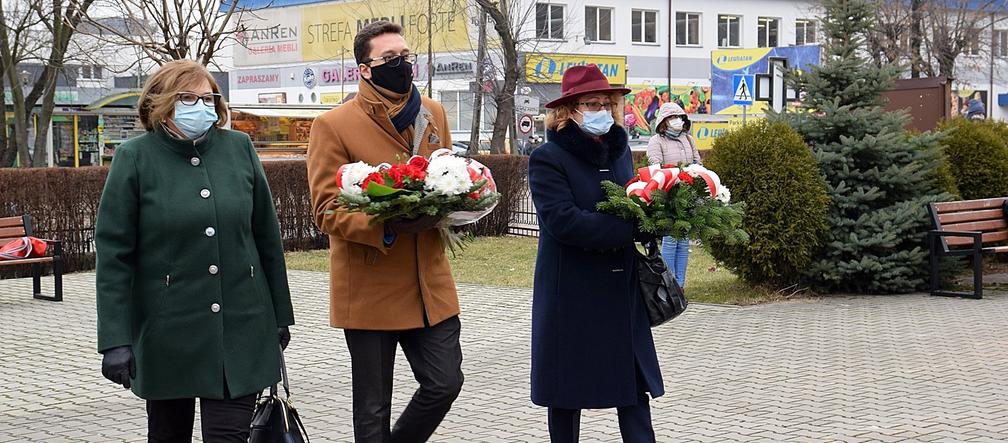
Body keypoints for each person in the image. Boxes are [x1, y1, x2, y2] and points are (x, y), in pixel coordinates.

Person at [95, 59, 295, 442]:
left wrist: (280, 315)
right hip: (168, 334)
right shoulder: (135, 158)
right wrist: (115, 338)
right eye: (188, 98)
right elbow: (114, 256)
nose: (201, 106)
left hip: (241, 329)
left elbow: (267, 238)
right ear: (161, 104)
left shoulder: (239, 148)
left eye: (208, 97)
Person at [306, 20, 463, 443]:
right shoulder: (333, 125)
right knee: (372, 411)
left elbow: (448, 174)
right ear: (364, 69)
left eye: (406, 57)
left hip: (430, 283)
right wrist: (387, 226)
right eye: (390, 59)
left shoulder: (434, 112)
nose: (402, 65)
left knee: (445, 383)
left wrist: (457, 201)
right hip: (371, 284)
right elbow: (326, 210)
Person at [528, 64, 664, 443]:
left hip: (621, 292)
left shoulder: (620, 152)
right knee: (566, 394)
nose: (602, 109)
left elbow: (637, 201)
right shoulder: (548, 158)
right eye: (592, 103)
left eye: (607, 101)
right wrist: (629, 228)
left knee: (633, 390)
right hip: (571, 292)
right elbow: (564, 221)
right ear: (568, 111)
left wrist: (658, 216)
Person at [646, 102, 703, 288]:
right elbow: (655, 167)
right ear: (664, 121)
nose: (677, 121)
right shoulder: (657, 141)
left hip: (688, 196)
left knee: (683, 240)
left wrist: (696, 176)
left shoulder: (688, 139)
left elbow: (697, 162)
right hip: (668, 196)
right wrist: (675, 177)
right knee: (670, 239)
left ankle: (681, 284)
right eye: (672, 117)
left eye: (679, 117)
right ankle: (670, 283)